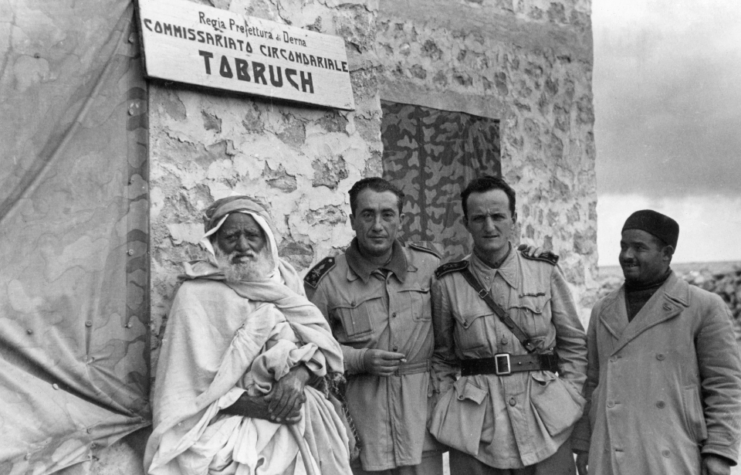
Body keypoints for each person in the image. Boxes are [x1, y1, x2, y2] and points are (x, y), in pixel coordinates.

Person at [144, 196, 352, 475]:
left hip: (295, 420)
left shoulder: (285, 283)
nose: (242, 246)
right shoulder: (195, 296)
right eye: (231, 237)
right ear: (214, 242)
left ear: (266, 240)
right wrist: (260, 406)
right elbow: (183, 392)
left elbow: (323, 351)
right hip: (222, 429)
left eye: (252, 235)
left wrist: (298, 377)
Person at [430, 175, 588, 474]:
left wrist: (569, 397)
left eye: (498, 216)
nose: (489, 226)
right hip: (478, 429)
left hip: (546, 422)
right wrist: (446, 406)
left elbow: (574, 344)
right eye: (479, 218)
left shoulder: (544, 271)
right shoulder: (448, 283)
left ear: (513, 219)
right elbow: (441, 356)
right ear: (466, 223)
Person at [571, 210, 741, 475]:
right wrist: (583, 444)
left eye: (639, 247)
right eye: (623, 246)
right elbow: (592, 381)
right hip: (609, 452)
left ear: (667, 253)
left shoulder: (703, 306)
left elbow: (724, 386)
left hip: (673, 454)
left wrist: (719, 451)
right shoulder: (602, 310)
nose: (627, 255)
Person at [304, 177, 444, 475]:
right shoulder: (327, 280)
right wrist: (359, 359)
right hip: (363, 424)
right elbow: (308, 348)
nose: (377, 225)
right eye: (367, 215)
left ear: (400, 220)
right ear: (353, 220)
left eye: (387, 215)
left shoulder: (429, 268)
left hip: (420, 421)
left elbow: (452, 337)